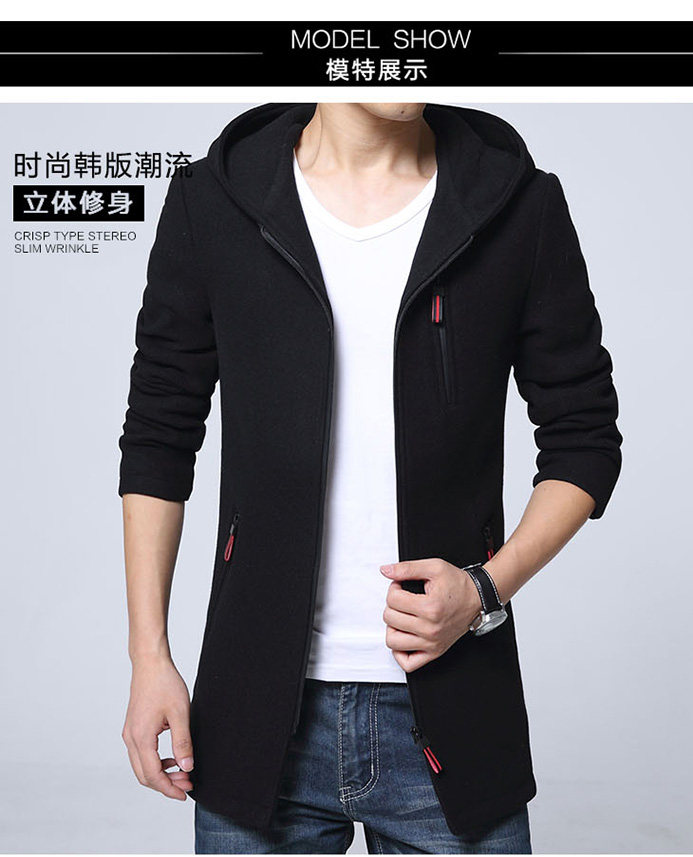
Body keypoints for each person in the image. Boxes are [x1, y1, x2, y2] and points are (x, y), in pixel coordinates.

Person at [118, 102, 622, 854]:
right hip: (255, 716)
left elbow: (584, 436)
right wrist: (149, 656)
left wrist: (484, 589)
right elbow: (159, 438)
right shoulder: (214, 201)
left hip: (452, 710)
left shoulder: (517, 204)